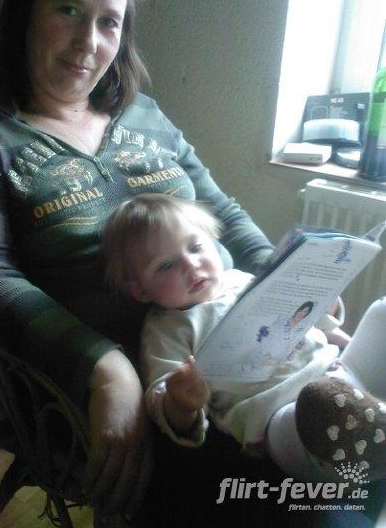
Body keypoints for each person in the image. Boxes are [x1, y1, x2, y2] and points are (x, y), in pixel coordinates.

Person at [0, 0, 279, 528]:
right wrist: (107, 368)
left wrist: (290, 287)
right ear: (25, 12)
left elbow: (226, 216)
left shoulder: (144, 114)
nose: (88, 43)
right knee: (267, 500)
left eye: (109, 22)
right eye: (68, 10)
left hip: (228, 348)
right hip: (96, 388)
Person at [102, 193, 386, 483]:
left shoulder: (243, 280)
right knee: (322, 403)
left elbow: (303, 314)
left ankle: (372, 423)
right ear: (139, 290)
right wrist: (181, 403)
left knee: (382, 312)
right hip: (283, 420)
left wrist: (326, 305)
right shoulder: (167, 329)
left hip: (338, 371)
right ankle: (371, 439)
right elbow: (162, 398)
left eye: (196, 247)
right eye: (166, 265)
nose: (191, 265)